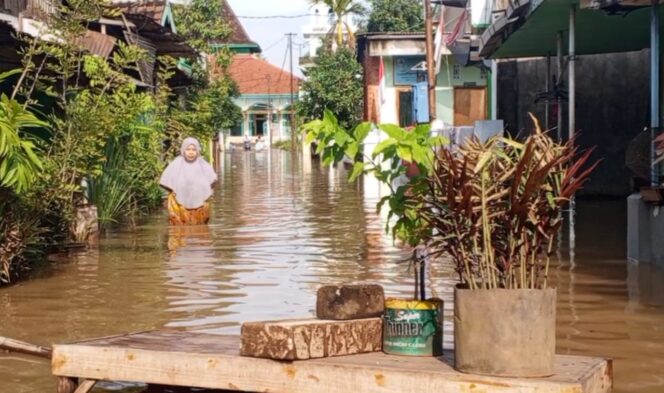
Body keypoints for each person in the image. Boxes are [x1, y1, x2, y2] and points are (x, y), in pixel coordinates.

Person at [160, 137, 217, 225]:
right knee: (178, 230)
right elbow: (166, 181)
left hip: (200, 205)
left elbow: (212, 181)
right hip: (178, 205)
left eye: (194, 149)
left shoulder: (203, 165)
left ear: (197, 150)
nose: (191, 152)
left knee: (199, 229)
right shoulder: (176, 164)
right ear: (183, 150)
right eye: (188, 149)